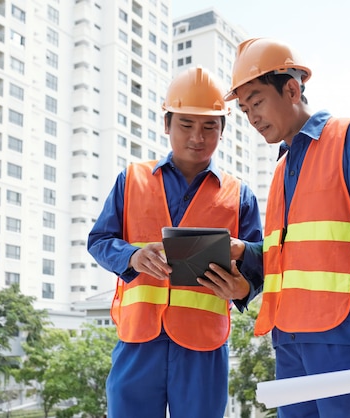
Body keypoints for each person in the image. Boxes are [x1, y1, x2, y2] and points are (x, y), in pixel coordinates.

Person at [224, 38, 350, 418]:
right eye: (245, 110)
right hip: (290, 342)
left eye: (257, 102)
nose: (252, 118)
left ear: (292, 89)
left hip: (347, 337)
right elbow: (294, 253)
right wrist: (247, 254)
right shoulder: (281, 168)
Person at [88, 66, 263, 418]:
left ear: (222, 129)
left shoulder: (239, 194)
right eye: (186, 124)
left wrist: (243, 287)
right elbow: (100, 240)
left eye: (209, 126)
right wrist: (133, 258)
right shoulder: (131, 180)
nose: (197, 136)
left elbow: (262, 257)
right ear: (167, 124)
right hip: (139, 339)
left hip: (203, 346)